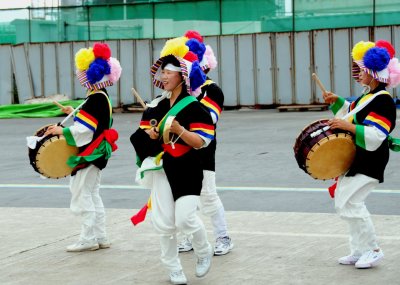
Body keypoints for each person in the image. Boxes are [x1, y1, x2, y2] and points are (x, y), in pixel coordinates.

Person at [130, 54, 214, 284]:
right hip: (161, 168)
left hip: (188, 168)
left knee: (186, 219)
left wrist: (179, 130)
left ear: (182, 76)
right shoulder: (155, 106)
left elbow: (201, 142)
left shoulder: (195, 107)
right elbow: (138, 138)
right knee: (164, 223)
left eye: (169, 72)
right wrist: (149, 135)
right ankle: (173, 267)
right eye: (163, 72)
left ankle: (203, 249)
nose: (164, 76)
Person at [322, 40, 400, 269]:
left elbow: (376, 134)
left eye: (361, 70)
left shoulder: (383, 101)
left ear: (373, 73)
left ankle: (373, 249)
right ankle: (359, 250)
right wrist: (336, 101)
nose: (358, 74)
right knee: (346, 203)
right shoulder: (368, 96)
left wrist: (347, 127)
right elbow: (350, 114)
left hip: (371, 158)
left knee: (351, 202)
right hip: (359, 157)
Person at [44, 42, 121, 252]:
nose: (80, 75)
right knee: (92, 193)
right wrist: (75, 112)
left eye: (82, 72)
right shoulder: (101, 97)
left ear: (91, 74)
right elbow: (95, 123)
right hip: (98, 152)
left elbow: (85, 131)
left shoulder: (94, 99)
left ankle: (88, 239)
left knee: (81, 194)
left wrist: (62, 131)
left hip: (90, 152)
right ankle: (101, 236)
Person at [176, 30, 233, 256]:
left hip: (202, 149)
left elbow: (208, 119)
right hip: (180, 149)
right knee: (183, 195)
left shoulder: (212, 90)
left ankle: (223, 237)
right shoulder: (182, 91)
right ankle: (189, 237)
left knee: (208, 194)